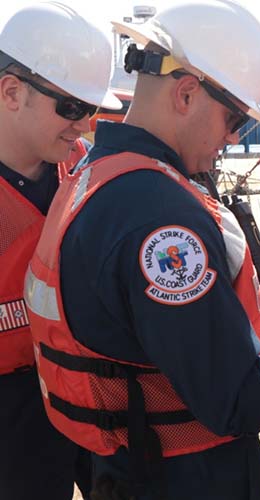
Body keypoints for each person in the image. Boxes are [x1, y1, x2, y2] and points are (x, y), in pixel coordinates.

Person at [24, 1, 260, 499]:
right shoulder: (161, 216)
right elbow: (240, 397)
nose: (232, 140)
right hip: (185, 476)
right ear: (187, 94)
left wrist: (234, 300)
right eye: (234, 121)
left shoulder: (92, 174)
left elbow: (132, 320)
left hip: (124, 465)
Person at [0, 3, 121, 499]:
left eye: (91, 109)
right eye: (71, 107)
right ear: (11, 92)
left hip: (89, 387)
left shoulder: (81, 170)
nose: (83, 124)